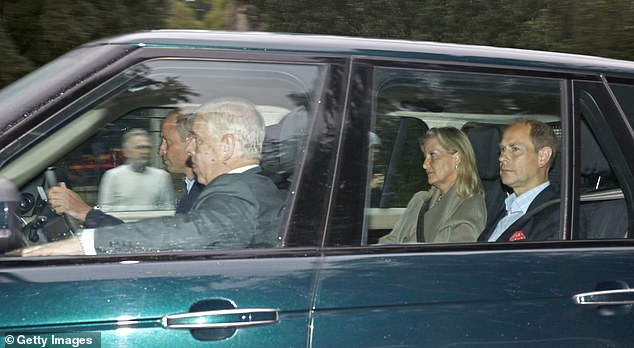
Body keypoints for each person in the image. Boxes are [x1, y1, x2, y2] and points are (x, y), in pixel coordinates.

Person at [21, 98, 286, 256]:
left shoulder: (239, 192)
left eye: (197, 140)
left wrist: (85, 244)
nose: (190, 149)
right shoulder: (251, 185)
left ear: (227, 146)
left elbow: (194, 232)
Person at [48, 111, 203, 227]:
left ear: (191, 144)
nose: (161, 150)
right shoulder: (191, 190)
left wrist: (85, 213)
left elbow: (161, 241)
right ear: (127, 151)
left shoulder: (202, 196)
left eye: (167, 142)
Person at [378, 127, 486, 244]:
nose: (425, 165)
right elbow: (391, 241)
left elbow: (456, 258)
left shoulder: (469, 206)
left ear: (456, 158)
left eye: (433, 155)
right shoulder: (419, 201)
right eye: (425, 157)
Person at [478, 119, 559, 242]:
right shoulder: (502, 207)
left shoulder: (557, 216)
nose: (501, 158)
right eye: (502, 149)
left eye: (515, 149)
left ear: (543, 156)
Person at [97, 128, 175, 212]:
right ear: (126, 151)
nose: (145, 151)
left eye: (147, 147)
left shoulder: (162, 176)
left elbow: (168, 210)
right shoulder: (113, 176)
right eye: (139, 147)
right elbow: (104, 211)